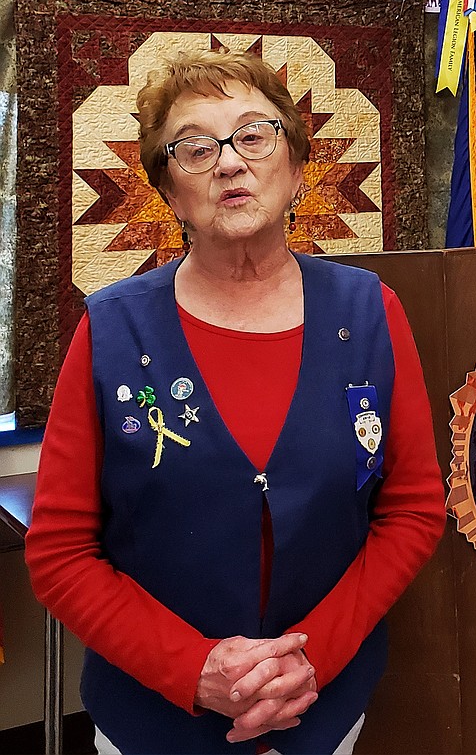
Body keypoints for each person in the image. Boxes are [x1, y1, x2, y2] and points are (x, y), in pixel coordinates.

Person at [24, 49, 447, 753]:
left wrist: (311, 658)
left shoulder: (371, 313)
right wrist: (194, 669)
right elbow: (62, 552)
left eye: (253, 135)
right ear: (168, 191)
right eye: (194, 148)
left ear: (298, 167)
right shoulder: (110, 330)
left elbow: (413, 508)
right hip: (153, 722)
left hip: (322, 707)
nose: (228, 162)